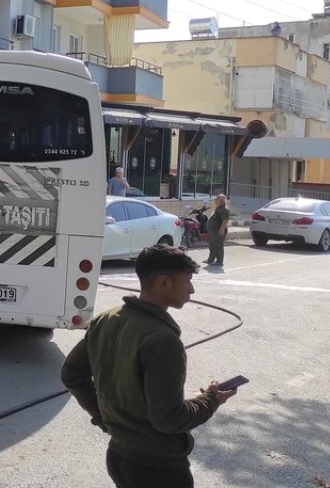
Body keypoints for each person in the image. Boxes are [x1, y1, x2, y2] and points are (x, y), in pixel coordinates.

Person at [61, 245, 237, 488]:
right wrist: (211, 400)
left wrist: (105, 419)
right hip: (158, 470)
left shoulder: (106, 319)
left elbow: (71, 374)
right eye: (187, 281)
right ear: (164, 282)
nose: (192, 290)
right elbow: (168, 419)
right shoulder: (163, 340)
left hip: (119, 456)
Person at [203, 194, 230, 267]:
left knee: (218, 246)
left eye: (216, 199)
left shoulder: (224, 209)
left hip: (217, 231)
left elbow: (225, 220)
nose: (215, 200)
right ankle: (210, 259)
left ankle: (219, 261)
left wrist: (222, 229)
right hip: (213, 230)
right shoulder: (218, 208)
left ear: (221, 201)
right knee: (212, 245)